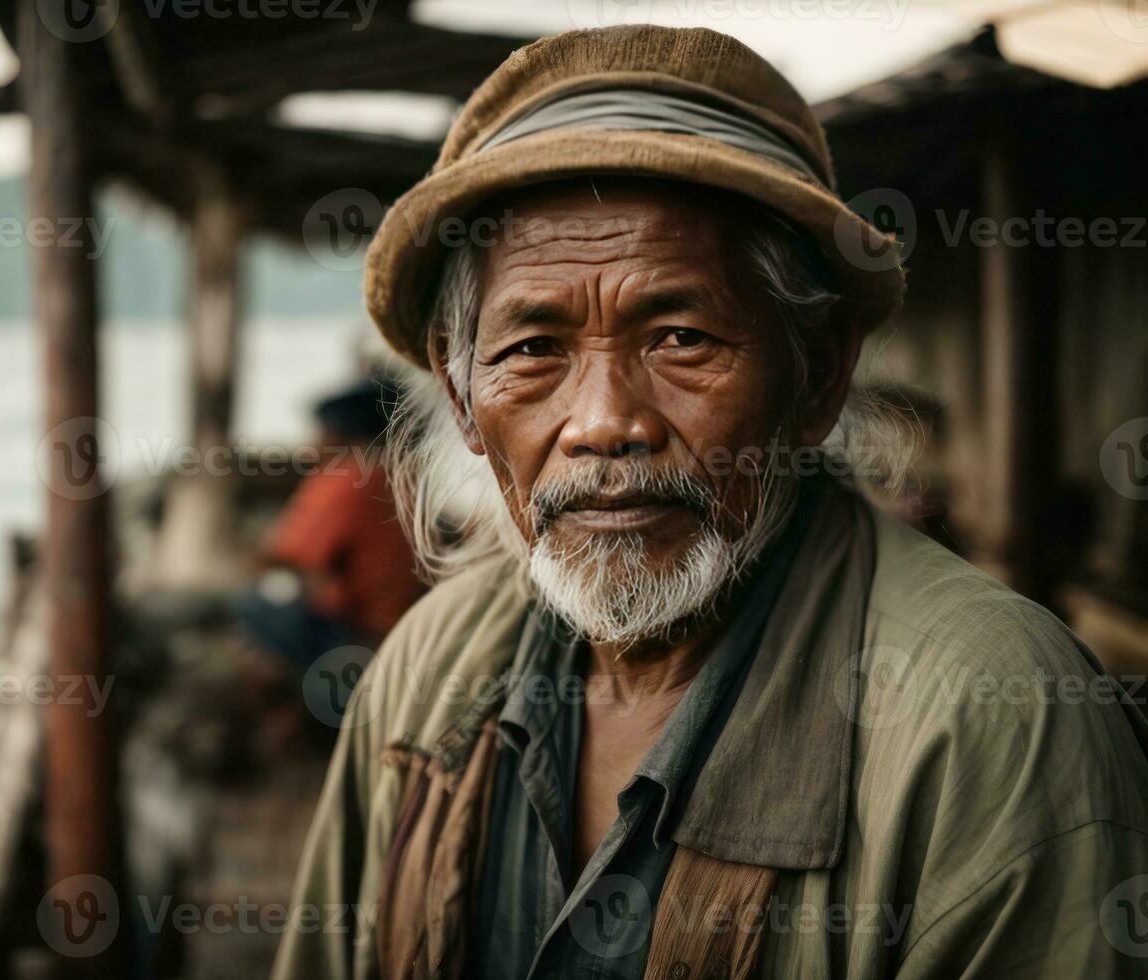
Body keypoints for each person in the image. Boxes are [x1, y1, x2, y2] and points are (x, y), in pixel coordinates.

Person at [273, 25, 1148, 979]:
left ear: (815, 377)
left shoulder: (989, 715)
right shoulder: (425, 675)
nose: (604, 423)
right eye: (532, 350)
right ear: (464, 405)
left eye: (682, 337)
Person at [234, 378, 422, 674]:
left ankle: (318, 689)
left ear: (336, 434)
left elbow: (282, 553)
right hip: (409, 622)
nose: (313, 444)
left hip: (366, 630)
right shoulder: (403, 474)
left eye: (319, 432)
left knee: (254, 605)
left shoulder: (346, 477)